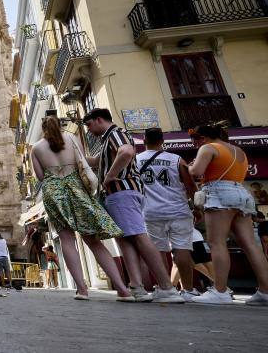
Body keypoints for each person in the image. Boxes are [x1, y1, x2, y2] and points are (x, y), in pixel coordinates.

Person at [83, 109, 182, 303]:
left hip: (122, 192)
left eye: (89, 125)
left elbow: (126, 151)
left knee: (138, 235)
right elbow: (96, 161)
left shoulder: (115, 134)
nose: (88, 130)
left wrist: (111, 175)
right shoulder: (107, 139)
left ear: (99, 120)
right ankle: (137, 287)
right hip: (120, 194)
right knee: (125, 239)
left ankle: (166, 287)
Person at [31, 114, 132, 301]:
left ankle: (82, 290)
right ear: (59, 125)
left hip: (54, 192)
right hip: (76, 188)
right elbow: (82, 163)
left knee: (67, 240)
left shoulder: (36, 148)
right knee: (93, 241)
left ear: (43, 129)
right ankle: (122, 289)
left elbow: (40, 176)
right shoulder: (71, 138)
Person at [187, 124, 268, 305]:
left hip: (218, 193)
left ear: (202, 138)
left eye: (195, 140)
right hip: (241, 193)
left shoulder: (208, 148)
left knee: (217, 243)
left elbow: (196, 172)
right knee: (251, 246)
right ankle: (265, 291)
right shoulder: (238, 150)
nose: (194, 144)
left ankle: (220, 291)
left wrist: (189, 167)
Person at [135, 127, 198, 301]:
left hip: (150, 212)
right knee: (182, 249)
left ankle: (166, 288)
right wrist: (197, 207)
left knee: (158, 251)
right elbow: (190, 185)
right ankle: (189, 289)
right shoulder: (176, 159)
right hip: (178, 210)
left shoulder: (136, 160)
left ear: (144, 140)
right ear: (162, 141)